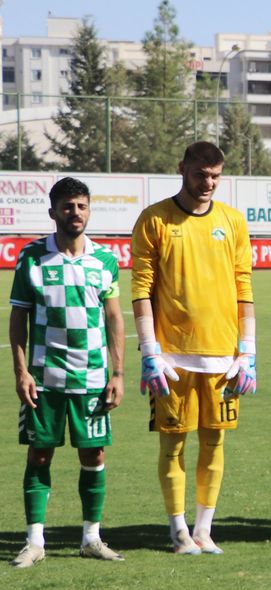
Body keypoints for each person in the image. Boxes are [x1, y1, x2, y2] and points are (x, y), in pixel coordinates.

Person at [131, 141, 256, 554]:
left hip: (223, 358)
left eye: (216, 176)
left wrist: (248, 350)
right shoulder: (154, 219)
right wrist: (150, 350)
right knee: (173, 443)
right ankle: (178, 530)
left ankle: (203, 529)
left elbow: (243, 287)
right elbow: (141, 290)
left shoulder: (233, 221)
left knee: (215, 443)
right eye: (201, 174)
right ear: (182, 168)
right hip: (171, 358)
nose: (208, 183)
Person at [8, 177, 125, 567]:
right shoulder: (32, 257)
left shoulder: (104, 260)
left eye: (82, 206)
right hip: (44, 379)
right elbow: (18, 317)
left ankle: (91, 538)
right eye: (68, 206)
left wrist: (118, 373)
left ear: (89, 210)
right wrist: (21, 371)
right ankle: (35, 541)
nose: (75, 212)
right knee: (40, 454)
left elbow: (114, 318)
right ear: (53, 211)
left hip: (92, 379)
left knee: (94, 454)